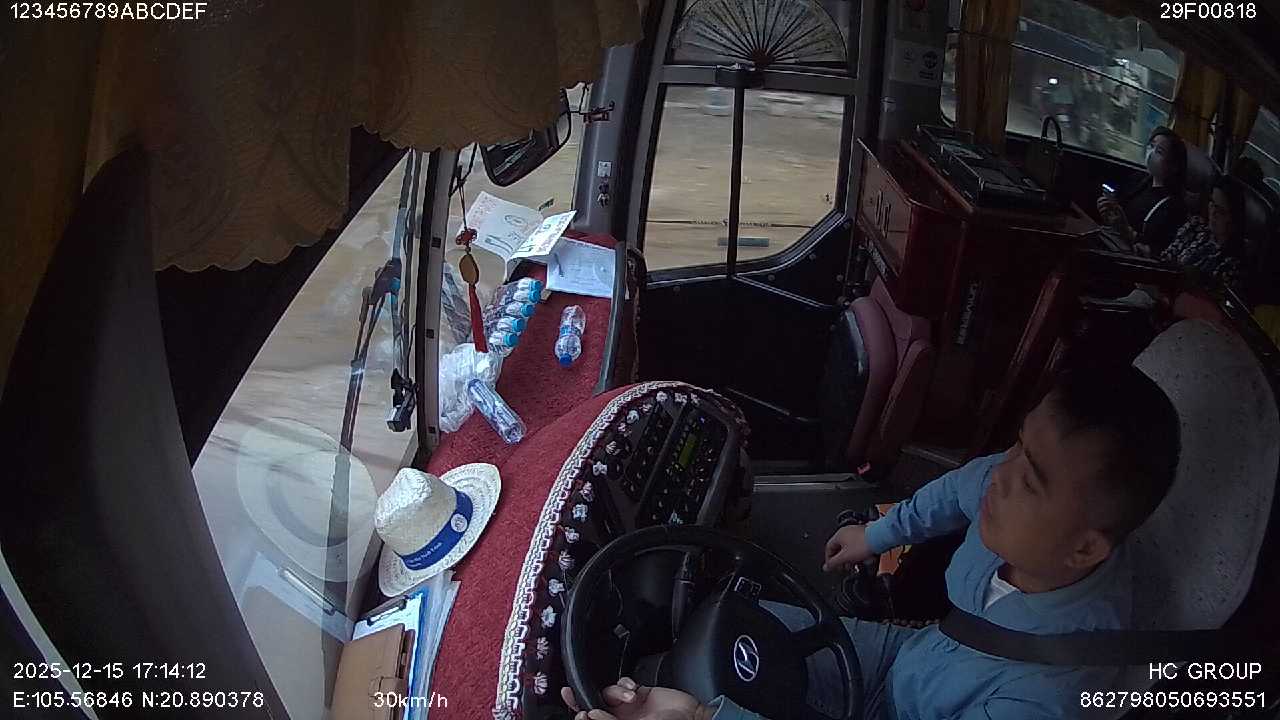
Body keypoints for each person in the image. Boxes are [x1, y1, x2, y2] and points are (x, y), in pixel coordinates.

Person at [563, 365, 1182, 720]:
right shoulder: (1029, 515)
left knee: (706, 679)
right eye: (1018, 445)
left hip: (906, 705)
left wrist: (705, 718)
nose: (1000, 473)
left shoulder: (1049, 698)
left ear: (1086, 550)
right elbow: (959, 488)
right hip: (908, 656)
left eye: (1031, 478)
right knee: (720, 622)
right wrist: (877, 534)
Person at [1096, 127, 1189, 255]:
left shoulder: (1173, 207)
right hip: (1109, 238)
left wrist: (1126, 230)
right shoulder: (1141, 180)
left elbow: (1154, 251)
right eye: (1151, 146)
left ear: (1174, 166)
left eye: (1160, 151)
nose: (1151, 153)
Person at [1152, 176, 1246, 295]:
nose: (1213, 212)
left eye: (1221, 211)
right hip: (1158, 287)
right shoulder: (1195, 226)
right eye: (1212, 203)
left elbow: (1211, 298)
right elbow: (1166, 258)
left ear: (1234, 218)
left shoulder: (1233, 264)